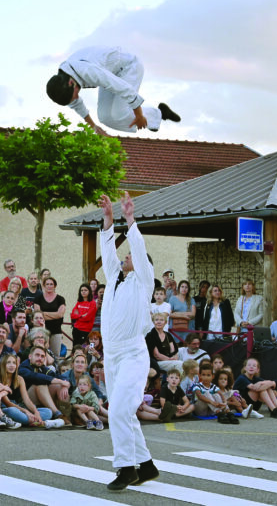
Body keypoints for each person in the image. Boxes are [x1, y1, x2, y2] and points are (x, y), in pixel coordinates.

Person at [98, 191, 159, 491]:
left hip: (134, 354)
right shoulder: (114, 277)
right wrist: (109, 221)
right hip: (111, 356)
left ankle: (126, 468)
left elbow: (139, 246)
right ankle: (146, 465)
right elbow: (108, 252)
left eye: (131, 256)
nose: (126, 256)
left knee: (120, 411)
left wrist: (130, 219)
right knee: (124, 411)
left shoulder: (144, 281)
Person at [46, 46, 180, 135]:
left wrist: (139, 116)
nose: (76, 98)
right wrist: (95, 128)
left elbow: (125, 89)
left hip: (128, 67)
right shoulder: (64, 81)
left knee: (118, 113)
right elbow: (75, 104)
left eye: (74, 96)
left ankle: (158, 114)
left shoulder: (88, 71)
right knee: (105, 118)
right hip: (110, 73)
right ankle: (160, 114)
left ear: (71, 83)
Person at [0, 353, 61, 428]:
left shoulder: (19, 379)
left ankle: (29, 420)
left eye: (14, 363)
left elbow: (26, 399)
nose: (12, 365)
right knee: (13, 411)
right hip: (7, 408)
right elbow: (8, 403)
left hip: (20, 407)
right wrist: (26, 411)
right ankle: (34, 421)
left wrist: (35, 412)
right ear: (3, 365)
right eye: (8, 362)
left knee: (48, 412)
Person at [34, 277, 66, 357]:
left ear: (55, 286)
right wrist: (55, 315)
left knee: (56, 356)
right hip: (42, 331)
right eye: (47, 284)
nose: (49, 286)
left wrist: (44, 314)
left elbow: (60, 315)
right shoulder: (38, 298)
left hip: (56, 331)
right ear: (44, 286)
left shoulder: (60, 299)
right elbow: (38, 316)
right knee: (41, 353)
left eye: (51, 284)